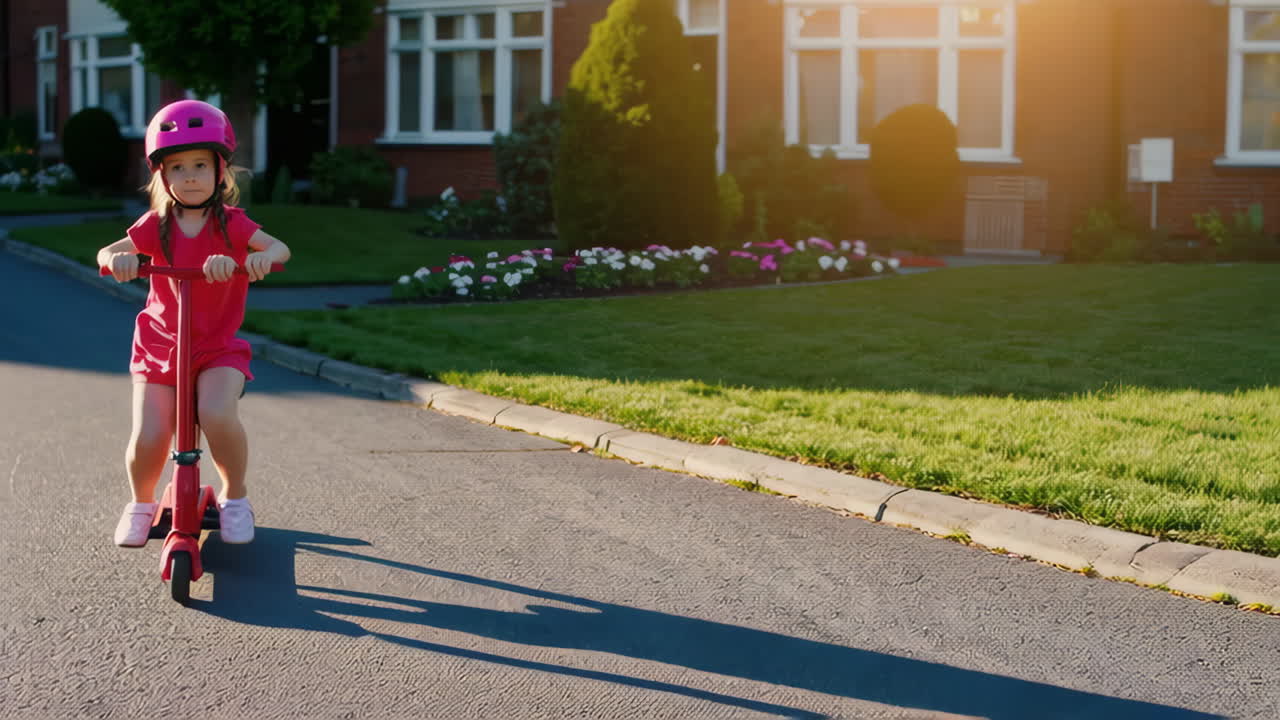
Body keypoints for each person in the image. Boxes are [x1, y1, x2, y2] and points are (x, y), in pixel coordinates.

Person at [97, 99, 291, 547]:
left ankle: (235, 497)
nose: (190, 176)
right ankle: (141, 503)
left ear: (220, 170)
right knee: (149, 432)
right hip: (160, 346)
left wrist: (258, 259)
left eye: (201, 165)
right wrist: (120, 260)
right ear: (163, 176)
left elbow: (279, 248)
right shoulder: (156, 225)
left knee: (217, 413)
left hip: (216, 347)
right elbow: (107, 252)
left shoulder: (233, 225)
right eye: (178, 167)